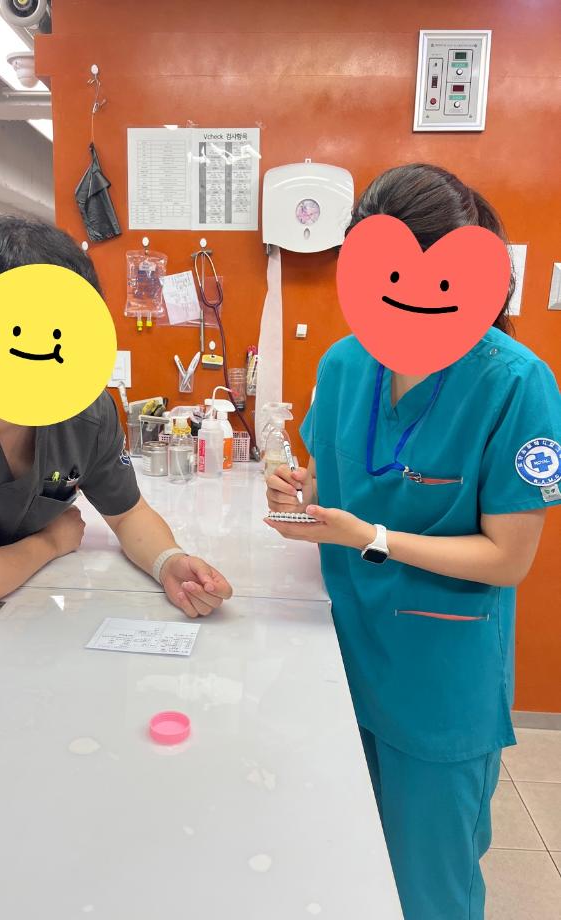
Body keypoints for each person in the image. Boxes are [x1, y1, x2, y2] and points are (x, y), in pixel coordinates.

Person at [266, 164, 561, 920]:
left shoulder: (516, 384)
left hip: (438, 676)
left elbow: (509, 557)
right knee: (341, 865)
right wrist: (298, 490)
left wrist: (373, 537)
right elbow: (331, 481)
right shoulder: (344, 363)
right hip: (337, 655)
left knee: (428, 889)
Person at [0, 217, 232, 689]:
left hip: (13, 608)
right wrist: (51, 541)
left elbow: (127, 513)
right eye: (22, 328)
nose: (45, 347)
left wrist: (168, 562)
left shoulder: (85, 407)